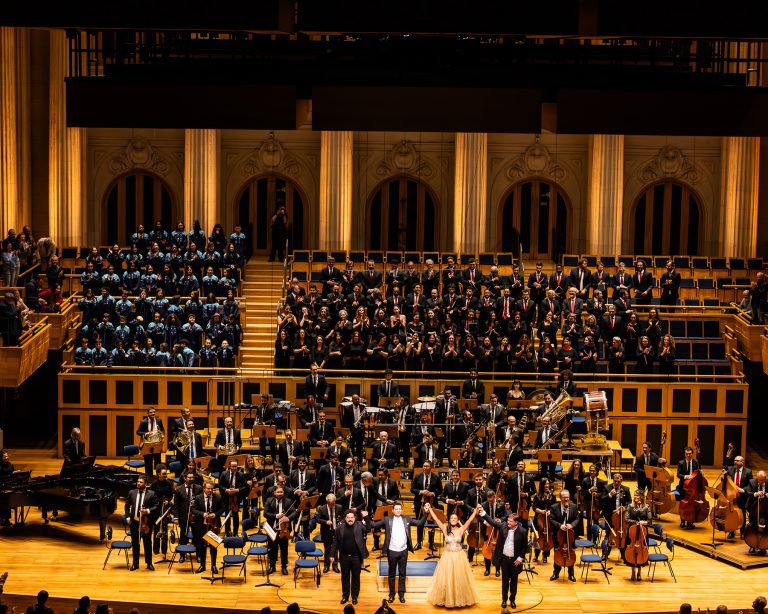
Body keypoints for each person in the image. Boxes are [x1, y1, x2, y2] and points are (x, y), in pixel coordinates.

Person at [424, 502, 481, 607]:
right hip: (448, 557)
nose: (453, 520)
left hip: (459, 556)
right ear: (449, 520)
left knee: (459, 579)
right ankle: (447, 598)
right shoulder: (446, 529)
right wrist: (430, 509)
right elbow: (436, 519)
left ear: (457, 520)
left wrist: (476, 511)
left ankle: (459, 598)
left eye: (455, 518)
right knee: (448, 579)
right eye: (451, 518)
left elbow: (469, 520)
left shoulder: (461, 529)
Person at [371, 500, 427, 604]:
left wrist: (426, 513)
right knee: (391, 574)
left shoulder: (407, 519)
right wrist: (365, 517)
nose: (398, 511)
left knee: (402, 573)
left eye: (399, 509)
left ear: (401, 510)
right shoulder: (387, 519)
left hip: (403, 550)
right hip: (392, 551)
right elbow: (374, 525)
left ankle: (401, 594)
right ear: (392, 510)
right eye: (396, 509)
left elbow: (420, 523)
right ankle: (392, 594)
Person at [480, 508, 529, 609]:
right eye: (508, 521)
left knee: (514, 582)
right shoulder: (503, 527)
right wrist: (483, 513)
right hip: (505, 560)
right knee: (505, 581)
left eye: (510, 521)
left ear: (516, 523)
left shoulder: (523, 531)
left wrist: (520, 558)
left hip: (515, 561)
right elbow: (492, 522)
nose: (508, 522)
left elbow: (525, 547)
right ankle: (504, 600)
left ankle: (512, 600)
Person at [330, 509, 369, 605]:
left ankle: (355, 597)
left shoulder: (359, 525)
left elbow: (368, 529)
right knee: (345, 578)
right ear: (345, 518)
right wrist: (331, 554)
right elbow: (335, 542)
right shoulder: (340, 527)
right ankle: (345, 596)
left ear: (355, 518)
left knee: (356, 578)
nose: (350, 519)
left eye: (352, 517)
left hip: (356, 557)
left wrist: (366, 517)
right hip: (344, 557)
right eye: (348, 518)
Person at [124, 475, 158, 571]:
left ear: (146, 484)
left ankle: (149, 563)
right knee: (135, 543)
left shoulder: (151, 494)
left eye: (141, 482)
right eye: (138, 482)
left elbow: (156, 506)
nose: (138, 483)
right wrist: (127, 517)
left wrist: (147, 510)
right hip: (134, 522)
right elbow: (127, 505)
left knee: (147, 543)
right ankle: (135, 563)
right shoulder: (132, 492)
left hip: (146, 523)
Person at [192, 480, 223, 574]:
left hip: (213, 525)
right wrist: (203, 514)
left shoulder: (218, 497)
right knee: (202, 546)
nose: (210, 490)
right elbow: (193, 510)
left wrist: (215, 514)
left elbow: (222, 508)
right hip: (201, 525)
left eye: (212, 489)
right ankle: (202, 565)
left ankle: (213, 565)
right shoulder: (198, 498)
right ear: (204, 489)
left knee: (213, 546)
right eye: (208, 488)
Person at [264, 485, 297, 574]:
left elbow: (294, 512)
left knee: (284, 549)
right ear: (274, 493)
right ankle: (272, 566)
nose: (280, 494)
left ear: (283, 493)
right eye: (278, 492)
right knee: (272, 548)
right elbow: (265, 513)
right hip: (273, 529)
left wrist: (288, 518)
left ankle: (283, 567)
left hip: (284, 529)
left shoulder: (288, 501)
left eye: (281, 492)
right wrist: (276, 516)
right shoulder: (269, 501)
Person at [549, 489, 580, 582]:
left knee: (570, 552)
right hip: (558, 534)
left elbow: (577, 519)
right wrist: (560, 525)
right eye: (564, 497)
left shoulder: (573, 506)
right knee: (558, 553)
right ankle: (556, 573)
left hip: (570, 534)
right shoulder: (554, 507)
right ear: (560, 497)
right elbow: (551, 519)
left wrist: (571, 525)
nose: (566, 499)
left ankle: (571, 574)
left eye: (567, 497)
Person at [625, 490, 652, 581]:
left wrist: (644, 522)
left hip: (642, 532)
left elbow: (649, 520)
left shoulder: (646, 507)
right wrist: (636, 522)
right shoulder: (630, 506)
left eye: (637, 495)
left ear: (641, 497)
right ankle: (632, 571)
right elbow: (626, 518)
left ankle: (639, 572)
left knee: (641, 551)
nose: (635, 497)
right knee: (631, 551)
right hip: (632, 532)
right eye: (634, 495)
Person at [676, 446, 701, 528]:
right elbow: (678, 475)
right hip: (683, 486)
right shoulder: (681, 463)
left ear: (692, 454)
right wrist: (686, 476)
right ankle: (682, 520)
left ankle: (690, 521)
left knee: (692, 504)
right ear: (685, 454)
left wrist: (700, 473)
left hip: (693, 487)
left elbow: (698, 473)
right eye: (687, 454)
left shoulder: (696, 462)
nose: (688, 455)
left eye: (690, 454)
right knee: (683, 504)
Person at [135, 407, 165, 476]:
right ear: (147, 413)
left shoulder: (159, 420)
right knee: (148, 462)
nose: (153, 413)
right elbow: (138, 432)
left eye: (154, 412)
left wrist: (162, 434)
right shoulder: (143, 422)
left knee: (158, 462)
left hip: (157, 443)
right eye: (151, 412)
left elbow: (162, 430)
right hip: (147, 444)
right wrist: (145, 433)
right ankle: (149, 478)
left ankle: (159, 477)